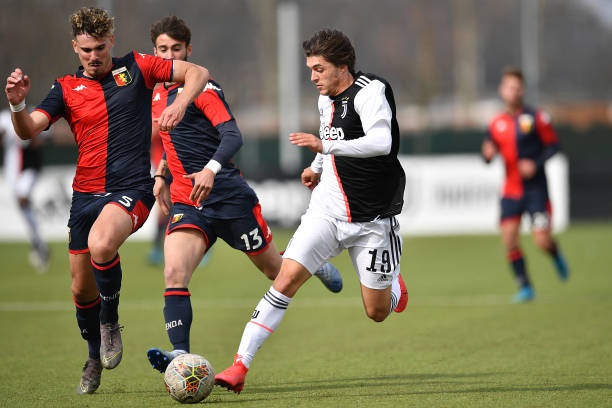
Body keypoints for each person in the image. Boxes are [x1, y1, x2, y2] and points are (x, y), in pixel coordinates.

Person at [4, 7, 210, 395]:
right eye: (85, 50)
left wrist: (180, 103)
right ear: (75, 48)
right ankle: (93, 356)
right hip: (84, 197)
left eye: (99, 48)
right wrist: (17, 104)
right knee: (81, 290)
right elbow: (29, 130)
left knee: (102, 244)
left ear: (111, 42)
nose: (93, 56)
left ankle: (110, 319)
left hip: (131, 190)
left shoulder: (137, 67)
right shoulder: (65, 88)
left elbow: (197, 73)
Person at [144, 16, 343, 375]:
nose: (170, 55)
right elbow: (170, 142)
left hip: (230, 200)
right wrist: (161, 174)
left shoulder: (204, 91)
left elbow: (233, 136)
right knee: (174, 271)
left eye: (177, 49)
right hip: (190, 203)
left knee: (274, 271)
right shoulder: (157, 93)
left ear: (189, 52)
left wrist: (210, 169)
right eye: (163, 50)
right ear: (155, 53)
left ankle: (312, 264)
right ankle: (180, 355)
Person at [214, 28, 409, 394]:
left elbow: (382, 143)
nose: (313, 77)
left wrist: (325, 147)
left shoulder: (371, 92)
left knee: (377, 312)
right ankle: (240, 365)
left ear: (342, 66)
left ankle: (394, 286)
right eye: (310, 69)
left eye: (319, 69)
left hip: (372, 221)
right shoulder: (325, 99)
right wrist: (317, 166)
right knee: (284, 281)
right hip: (327, 213)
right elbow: (329, 135)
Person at [481, 67, 569, 303]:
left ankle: (555, 252)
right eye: (509, 87)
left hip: (535, 191)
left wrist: (536, 164)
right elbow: (489, 151)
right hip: (511, 191)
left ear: (522, 90)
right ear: (502, 90)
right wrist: (487, 154)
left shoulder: (537, 118)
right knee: (509, 239)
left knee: (541, 241)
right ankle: (526, 286)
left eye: (517, 87)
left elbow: (554, 147)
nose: (513, 91)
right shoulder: (496, 123)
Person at [0, 108, 50, 272]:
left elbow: (44, 136)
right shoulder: (5, 118)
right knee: (24, 207)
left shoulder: (33, 113)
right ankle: (39, 244)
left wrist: (33, 136)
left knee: (23, 197)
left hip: (30, 166)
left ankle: (38, 244)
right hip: (12, 169)